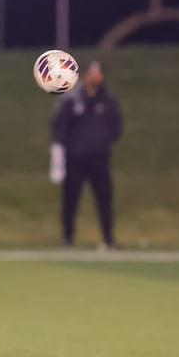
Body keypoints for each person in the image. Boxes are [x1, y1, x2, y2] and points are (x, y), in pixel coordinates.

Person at [51, 61, 122, 249]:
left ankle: (108, 239)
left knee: (104, 198)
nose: (96, 77)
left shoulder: (107, 102)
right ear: (85, 76)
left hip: (99, 159)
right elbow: (59, 127)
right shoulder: (73, 100)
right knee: (70, 199)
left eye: (99, 73)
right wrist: (70, 147)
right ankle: (67, 238)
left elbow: (116, 127)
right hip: (75, 159)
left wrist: (103, 143)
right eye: (93, 73)